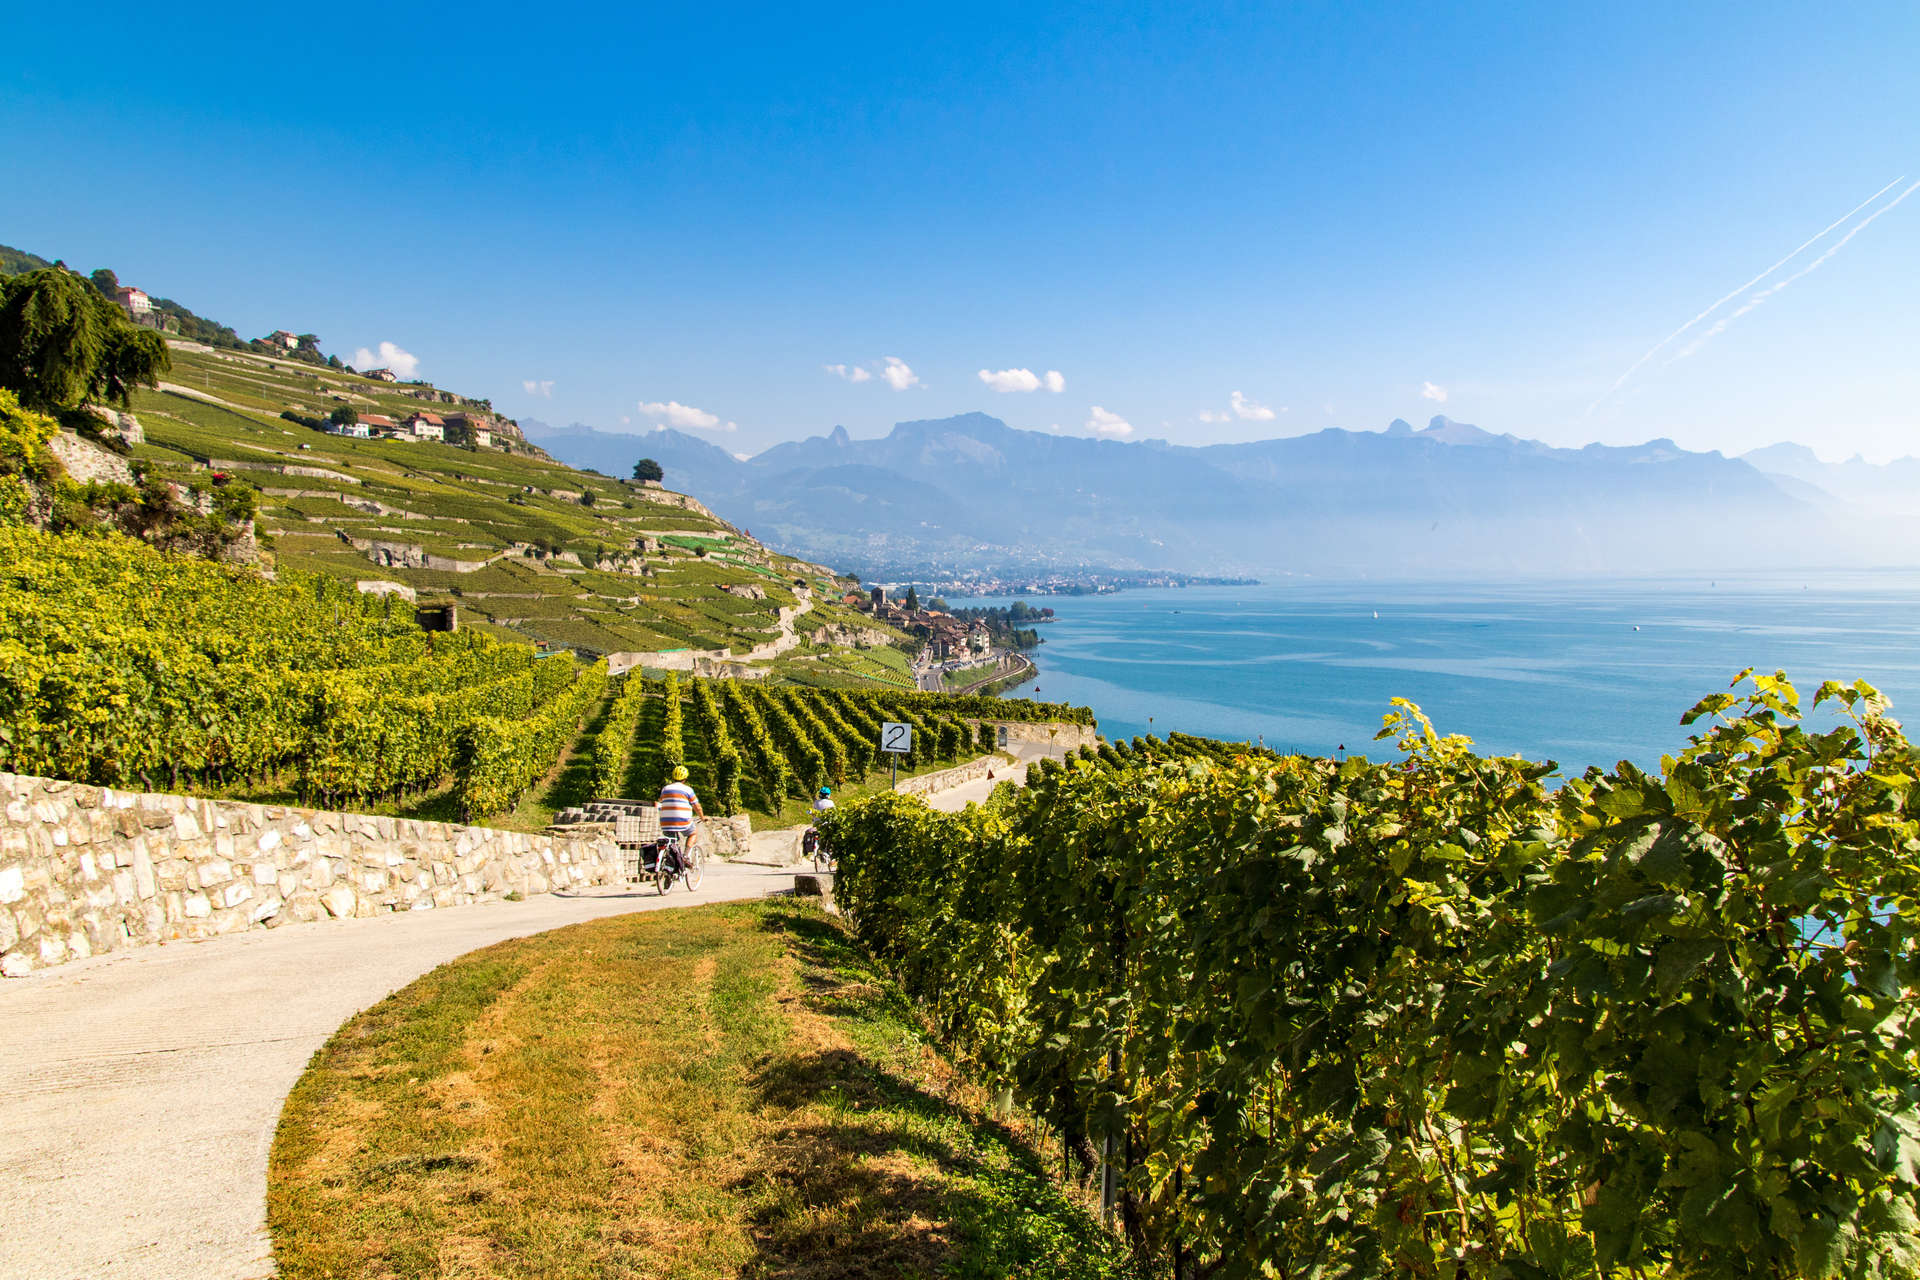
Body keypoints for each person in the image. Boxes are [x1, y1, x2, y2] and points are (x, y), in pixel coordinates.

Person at [656, 765, 704, 871]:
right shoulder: (688, 790)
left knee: (672, 842)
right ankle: (686, 856)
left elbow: (660, 801)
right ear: (685, 778)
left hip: (665, 822)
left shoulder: (665, 789)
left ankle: (669, 870)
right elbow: (697, 806)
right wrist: (702, 817)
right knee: (693, 833)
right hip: (683, 821)